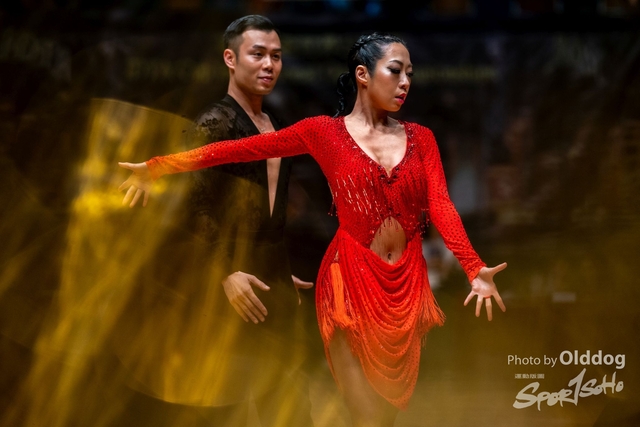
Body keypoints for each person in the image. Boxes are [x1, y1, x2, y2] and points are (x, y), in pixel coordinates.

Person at [119, 32, 507, 427]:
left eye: (410, 73)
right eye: (395, 70)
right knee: (366, 416)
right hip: (348, 279)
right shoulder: (324, 132)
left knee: (385, 416)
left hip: (405, 285)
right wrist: (157, 166)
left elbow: (441, 204)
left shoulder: (422, 139)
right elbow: (236, 150)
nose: (405, 81)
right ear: (363, 75)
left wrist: (473, 267)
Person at [112, 15, 315, 427]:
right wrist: (226, 272)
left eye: (276, 56)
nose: (269, 64)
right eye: (257, 54)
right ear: (230, 59)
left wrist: (278, 269)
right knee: (226, 405)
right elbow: (193, 207)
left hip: (266, 281)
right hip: (225, 286)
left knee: (288, 405)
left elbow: (270, 215)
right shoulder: (215, 122)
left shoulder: (274, 125)